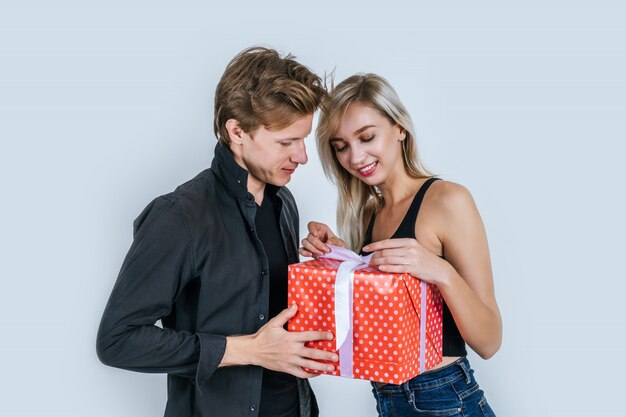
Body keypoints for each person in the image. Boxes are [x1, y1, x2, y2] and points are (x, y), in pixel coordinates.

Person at [96, 47, 339, 417]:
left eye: (303, 139)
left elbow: (275, 316)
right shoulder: (178, 217)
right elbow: (117, 340)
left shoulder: (284, 204)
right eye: (286, 142)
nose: (303, 156)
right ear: (237, 131)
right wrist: (247, 350)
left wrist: (332, 266)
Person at [300, 73, 502, 416]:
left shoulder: (447, 200)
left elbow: (489, 341)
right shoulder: (367, 214)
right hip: (388, 399)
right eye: (341, 146)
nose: (355, 156)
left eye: (367, 137)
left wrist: (440, 271)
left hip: (445, 399)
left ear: (399, 128)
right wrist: (339, 258)